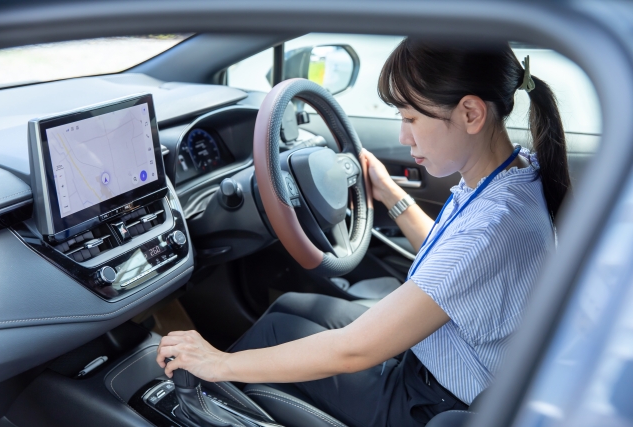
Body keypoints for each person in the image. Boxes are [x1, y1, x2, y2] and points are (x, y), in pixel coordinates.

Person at [156, 38, 570, 426]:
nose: (403, 135)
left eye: (410, 117)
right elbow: (453, 262)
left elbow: (355, 351)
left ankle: (202, 404)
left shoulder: (493, 226)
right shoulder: (513, 175)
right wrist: (392, 196)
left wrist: (216, 363)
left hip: (434, 400)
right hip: (446, 355)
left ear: (471, 114)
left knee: (272, 337)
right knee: (290, 309)